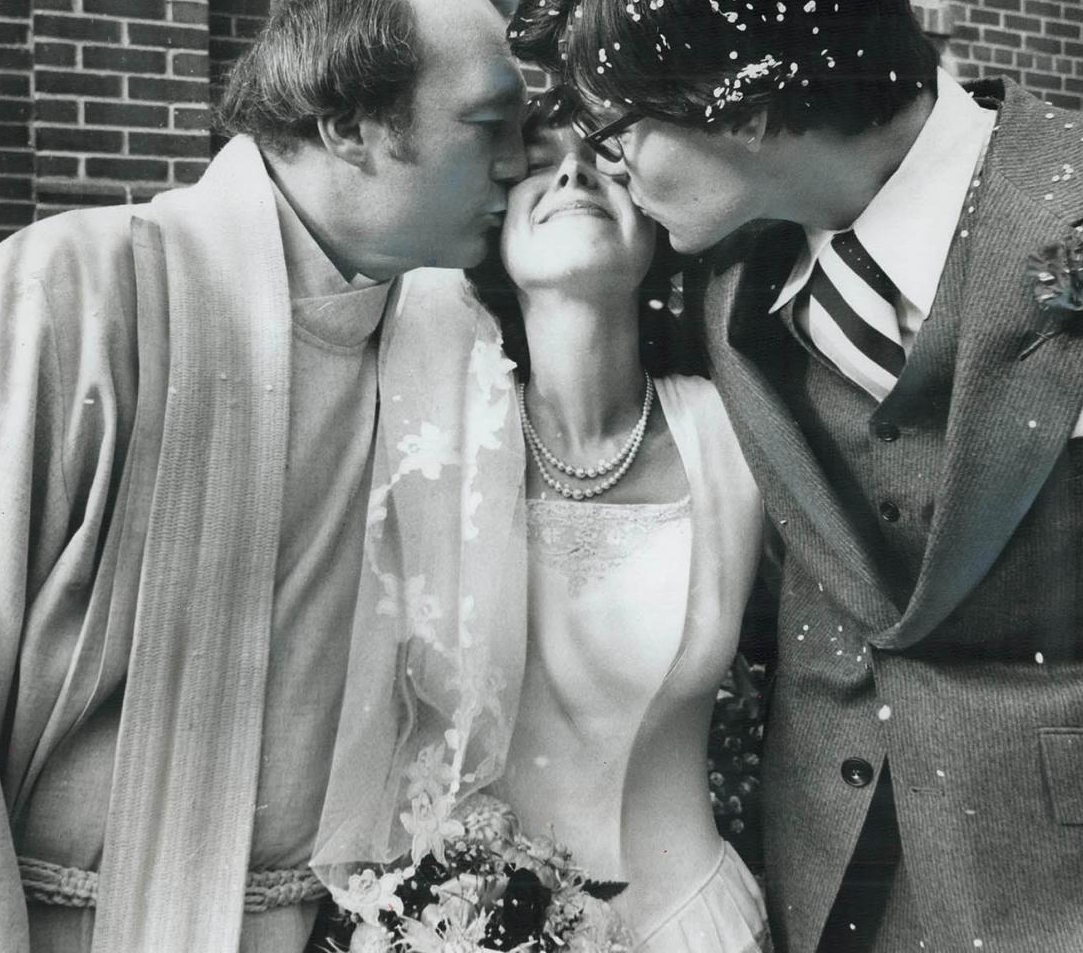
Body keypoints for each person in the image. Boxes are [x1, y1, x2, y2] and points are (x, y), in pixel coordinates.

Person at [507, 0, 1083, 950]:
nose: (602, 169)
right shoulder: (714, 283)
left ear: (743, 100)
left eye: (612, 129)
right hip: (833, 895)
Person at [0, 0, 526, 953]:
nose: (516, 164)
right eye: (490, 127)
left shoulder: (444, 343)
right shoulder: (69, 297)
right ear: (348, 123)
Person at [311, 94, 770, 952]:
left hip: (698, 929)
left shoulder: (739, 436)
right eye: (538, 159)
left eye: (606, 157)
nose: (572, 171)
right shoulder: (427, 446)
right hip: (462, 929)